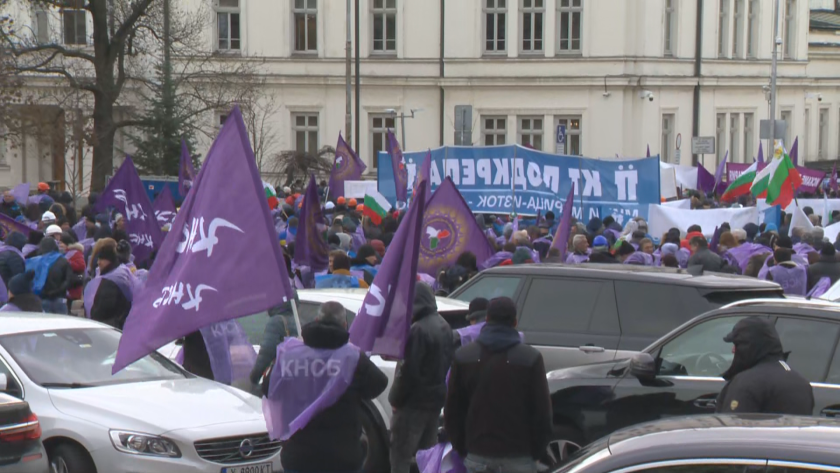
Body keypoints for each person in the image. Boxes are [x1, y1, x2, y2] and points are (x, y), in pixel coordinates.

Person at [265, 301, 388, 473]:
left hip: (299, 455)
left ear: (316, 320)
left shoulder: (291, 355)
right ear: (345, 326)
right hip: (343, 457)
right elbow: (379, 384)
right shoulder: (352, 358)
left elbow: (268, 387)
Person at [445, 297, 552, 473]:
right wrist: (536, 452)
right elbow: (542, 414)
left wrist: (463, 448)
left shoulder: (464, 356)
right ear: (515, 322)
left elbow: (453, 412)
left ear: (486, 320)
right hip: (520, 455)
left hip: (477, 452)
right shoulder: (531, 358)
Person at [389, 282, 454, 473]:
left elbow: (408, 369)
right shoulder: (444, 325)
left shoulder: (417, 329)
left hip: (412, 404)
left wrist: (395, 398)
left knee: (400, 455)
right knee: (428, 456)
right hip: (434, 401)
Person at [717, 317, 814, 415]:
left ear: (748, 346)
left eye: (736, 344)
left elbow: (733, 427)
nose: (733, 350)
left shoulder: (747, 383)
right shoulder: (802, 383)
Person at [87, 238, 132, 329]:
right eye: (98, 259)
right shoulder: (106, 274)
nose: (99, 262)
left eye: (102, 259)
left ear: (109, 260)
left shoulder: (113, 279)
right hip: (109, 323)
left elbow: (105, 306)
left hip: (109, 325)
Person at [25, 237, 72, 314]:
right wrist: (57, 291)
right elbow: (68, 280)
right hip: (59, 298)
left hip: (41, 298)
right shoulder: (63, 260)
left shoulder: (34, 261)